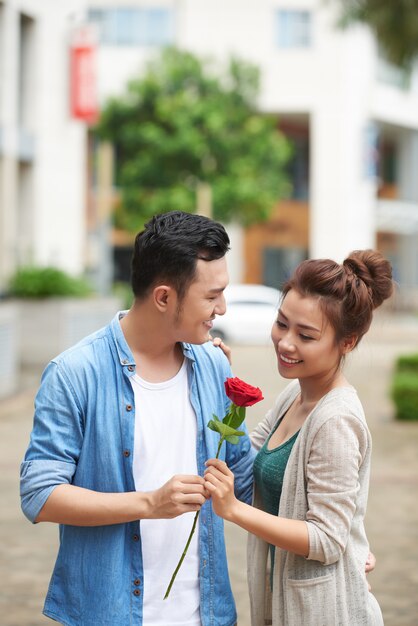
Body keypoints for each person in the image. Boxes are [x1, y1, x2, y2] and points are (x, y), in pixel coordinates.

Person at [20, 210, 255, 626]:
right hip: (110, 613)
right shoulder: (75, 373)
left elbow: (245, 478)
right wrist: (149, 503)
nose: (222, 307)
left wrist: (335, 537)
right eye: (211, 295)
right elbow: (39, 494)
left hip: (208, 614)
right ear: (164, 297)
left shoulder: (214, 366)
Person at [205, 249, 393, 626]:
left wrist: (234, 511)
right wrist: (218, 381)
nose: (286, 343)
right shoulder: (296, 394)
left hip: (325, 612)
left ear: (347, 342)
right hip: (285, 603)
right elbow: (247, 462)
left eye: (306, 335)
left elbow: (326, 539)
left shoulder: (335, 420)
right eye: (281, 323)